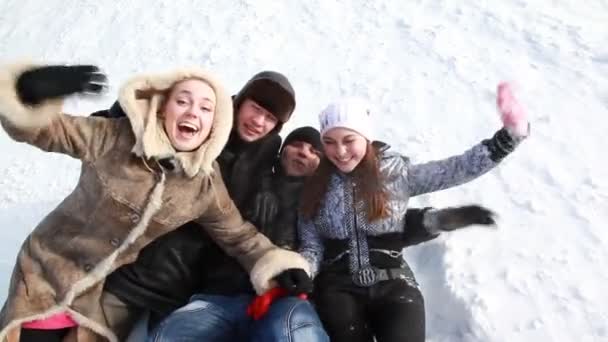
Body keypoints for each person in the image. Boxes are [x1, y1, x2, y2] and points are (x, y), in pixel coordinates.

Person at [0, 63, 311, 342]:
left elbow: (239, 235)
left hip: (116, 294)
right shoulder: (115, 136)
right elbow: (44, 130)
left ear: (213, 123)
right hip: (48, 270)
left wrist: (281, 264)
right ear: (163, 107)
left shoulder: (203, 180)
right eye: (183, 101)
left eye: (205, 108)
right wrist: (27, 94)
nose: (193, 113)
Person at [148, 126, 497, 341]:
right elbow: (215, 147)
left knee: (298, 334)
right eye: (298, 144)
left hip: (286, 301)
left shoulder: (327, 197)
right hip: (219, 297)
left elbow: (382, 223)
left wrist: (436, 219)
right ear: (281, 149)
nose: (304, 151)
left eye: (315, 150)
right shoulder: (247, 181)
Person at [298, 87, 529, 342]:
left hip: (393, 283)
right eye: (329, 142)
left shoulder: (394, 173)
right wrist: (303, 270)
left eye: (348, 140)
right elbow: (312, 245)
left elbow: (451, 170)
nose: (339, 151)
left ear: (366, 137)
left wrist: (504, 141)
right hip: (338, 290)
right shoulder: (315, 186)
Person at [98, 71, 305, 338]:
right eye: (255, 109)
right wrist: (123, 113)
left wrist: (283, 262)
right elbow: (132, 131)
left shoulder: (265, 160)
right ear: (239, 102)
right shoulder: (201, 122)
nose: (258, 121)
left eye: (270, 118)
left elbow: (247, 230)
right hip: (133, 270)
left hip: (184, 288)